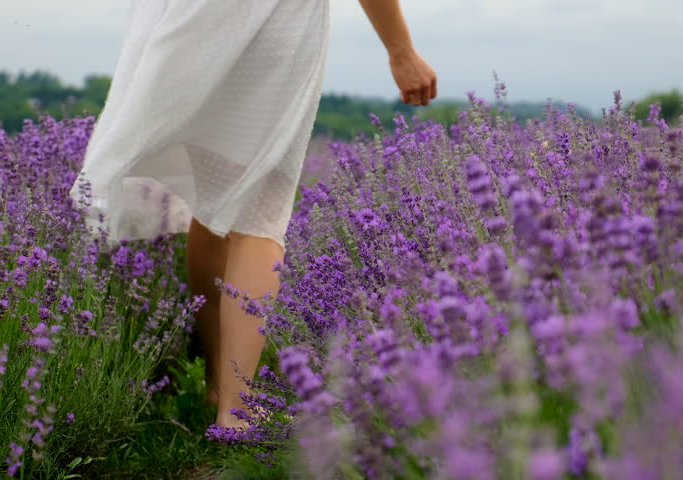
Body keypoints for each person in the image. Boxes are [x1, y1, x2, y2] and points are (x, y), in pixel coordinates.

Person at [68, 0, 436, 429]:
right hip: (274, 25)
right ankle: (237, 412)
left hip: (190, 25)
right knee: (260, 212)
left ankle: (217, 389)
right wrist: (400, 50)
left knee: (215, 201)